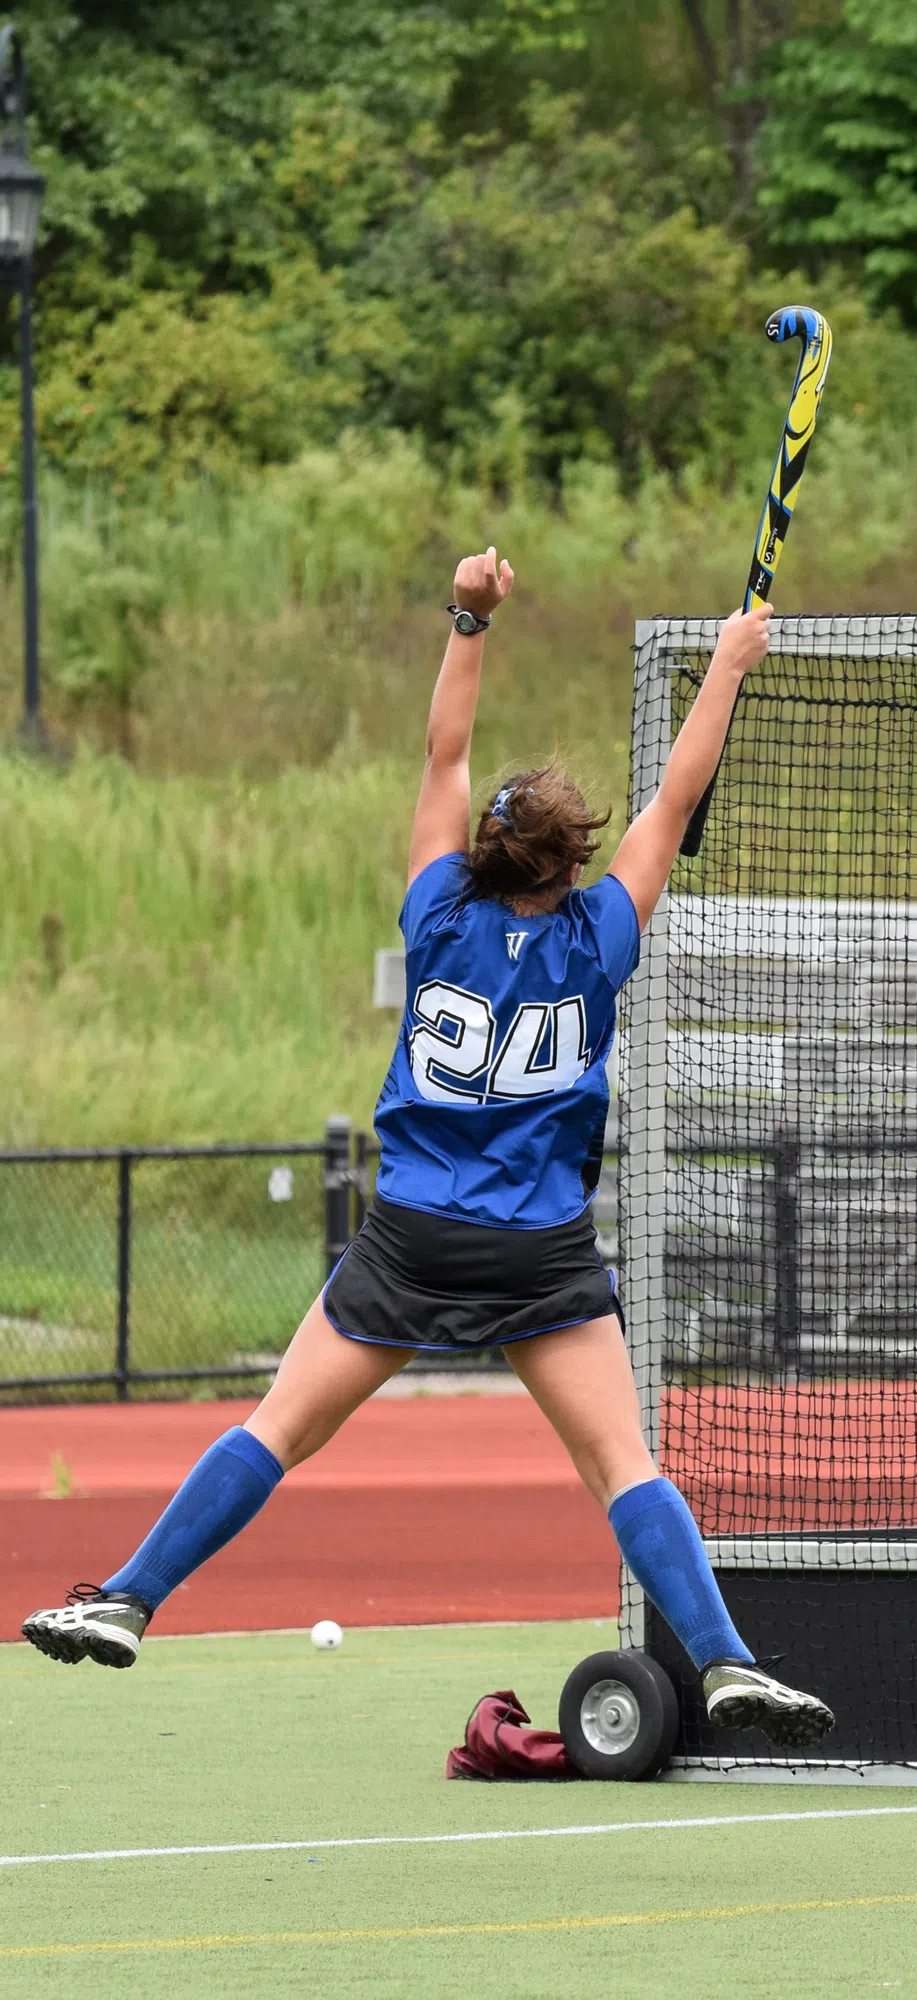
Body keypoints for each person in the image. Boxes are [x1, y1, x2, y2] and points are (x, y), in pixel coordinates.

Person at [22, 553, 834, 1747]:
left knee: (275, 1431)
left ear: (484, 854)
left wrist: (473, 618)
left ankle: (130, 1595)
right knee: (622, 1464)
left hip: (412, 1235)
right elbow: (673, 800)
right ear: (570, 866)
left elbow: (445, 757)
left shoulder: (436, 913)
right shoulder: (602, 933)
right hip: (539, 1252)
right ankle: (724, 1659)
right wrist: (726, 668)